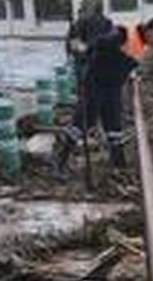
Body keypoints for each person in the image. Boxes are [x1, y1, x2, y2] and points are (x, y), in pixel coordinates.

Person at [54, 25, 140, 176]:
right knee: (82, 124)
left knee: (114, 127)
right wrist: (82, 51)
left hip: (113, 87)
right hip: (95, 86)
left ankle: (119, 165)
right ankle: (61, 161)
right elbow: (98, 44)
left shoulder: (142, 46)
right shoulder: (124, 37)